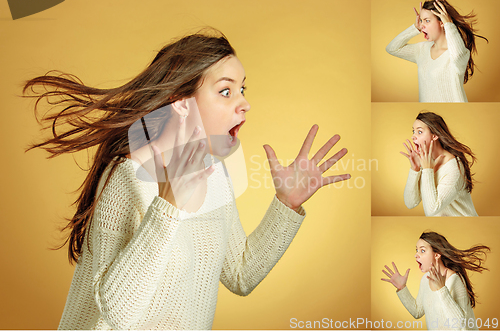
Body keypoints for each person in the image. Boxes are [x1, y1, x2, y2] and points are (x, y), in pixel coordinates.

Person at [23, 30, 351, 330]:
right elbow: (116, 313)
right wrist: (168, 205)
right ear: (181, 103)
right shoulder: (128, 176)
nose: (244, 104)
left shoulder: (215, 173)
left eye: (242, 89)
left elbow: (240, 274)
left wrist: (286, 203)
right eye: (225, 91)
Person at [381, 231, 490, 330]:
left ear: (437, 254)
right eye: (417, 250)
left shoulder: (454, 279)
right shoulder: (425, 279)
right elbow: (417, 311)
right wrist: (402, 288)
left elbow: (460, 325)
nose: (416, 255)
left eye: (422, 250)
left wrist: (442, 289)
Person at [386, 0, 488, 102]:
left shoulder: (459, 53)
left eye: (427, 20)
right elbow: (392, 48)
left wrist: (449, 24)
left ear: (442, 22)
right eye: (421, 20)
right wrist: (415, 28)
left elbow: (457, 55)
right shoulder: (422, 49)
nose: (422, 25)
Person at [400, 111, 477, 216]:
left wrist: (427, 170)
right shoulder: (426, 161)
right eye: (413, 131)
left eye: (419, 132)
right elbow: (410, 203)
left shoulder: (453, 168)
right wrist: (415, 169)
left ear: (434, 136)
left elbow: (431, 211)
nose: (413, 136)